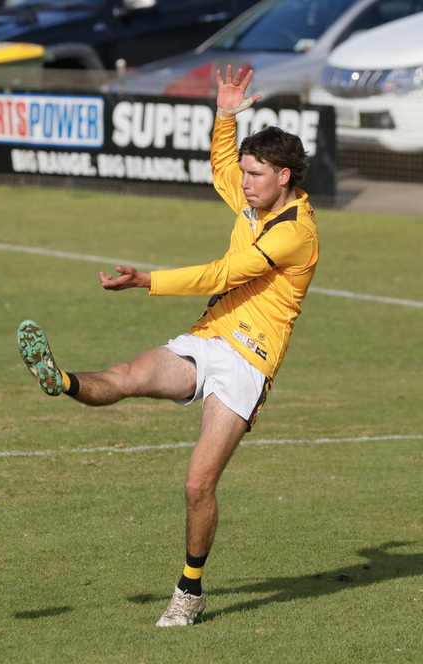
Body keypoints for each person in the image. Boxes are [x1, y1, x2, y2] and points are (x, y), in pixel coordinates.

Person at [17, 66, 319, 627]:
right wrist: (225, 115)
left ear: (283, 176)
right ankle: (61, 380)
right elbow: (222, 166)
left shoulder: (293, 233)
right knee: (128, 374)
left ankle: (190, 591)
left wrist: (147, 280)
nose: (244, 183)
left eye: (255, 175)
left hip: (248, 363)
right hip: (209, 336)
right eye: (245, 174)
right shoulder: (253, 198)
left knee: (198, 485)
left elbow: (222, 274)